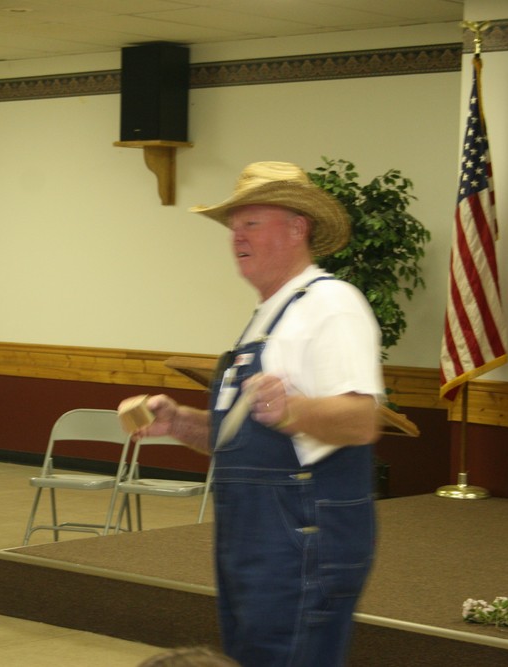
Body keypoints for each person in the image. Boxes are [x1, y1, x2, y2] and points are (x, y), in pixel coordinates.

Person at [121, 162, 384, 667]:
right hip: (255, 546)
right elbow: (242, 433)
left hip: (301, 545)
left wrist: (293, 411)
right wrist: (178, 422)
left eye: (251, 223)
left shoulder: (332, 305)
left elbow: (361, 421)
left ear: (297, 227)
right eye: (233, 226)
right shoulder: (266, 315)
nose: (235, 236)